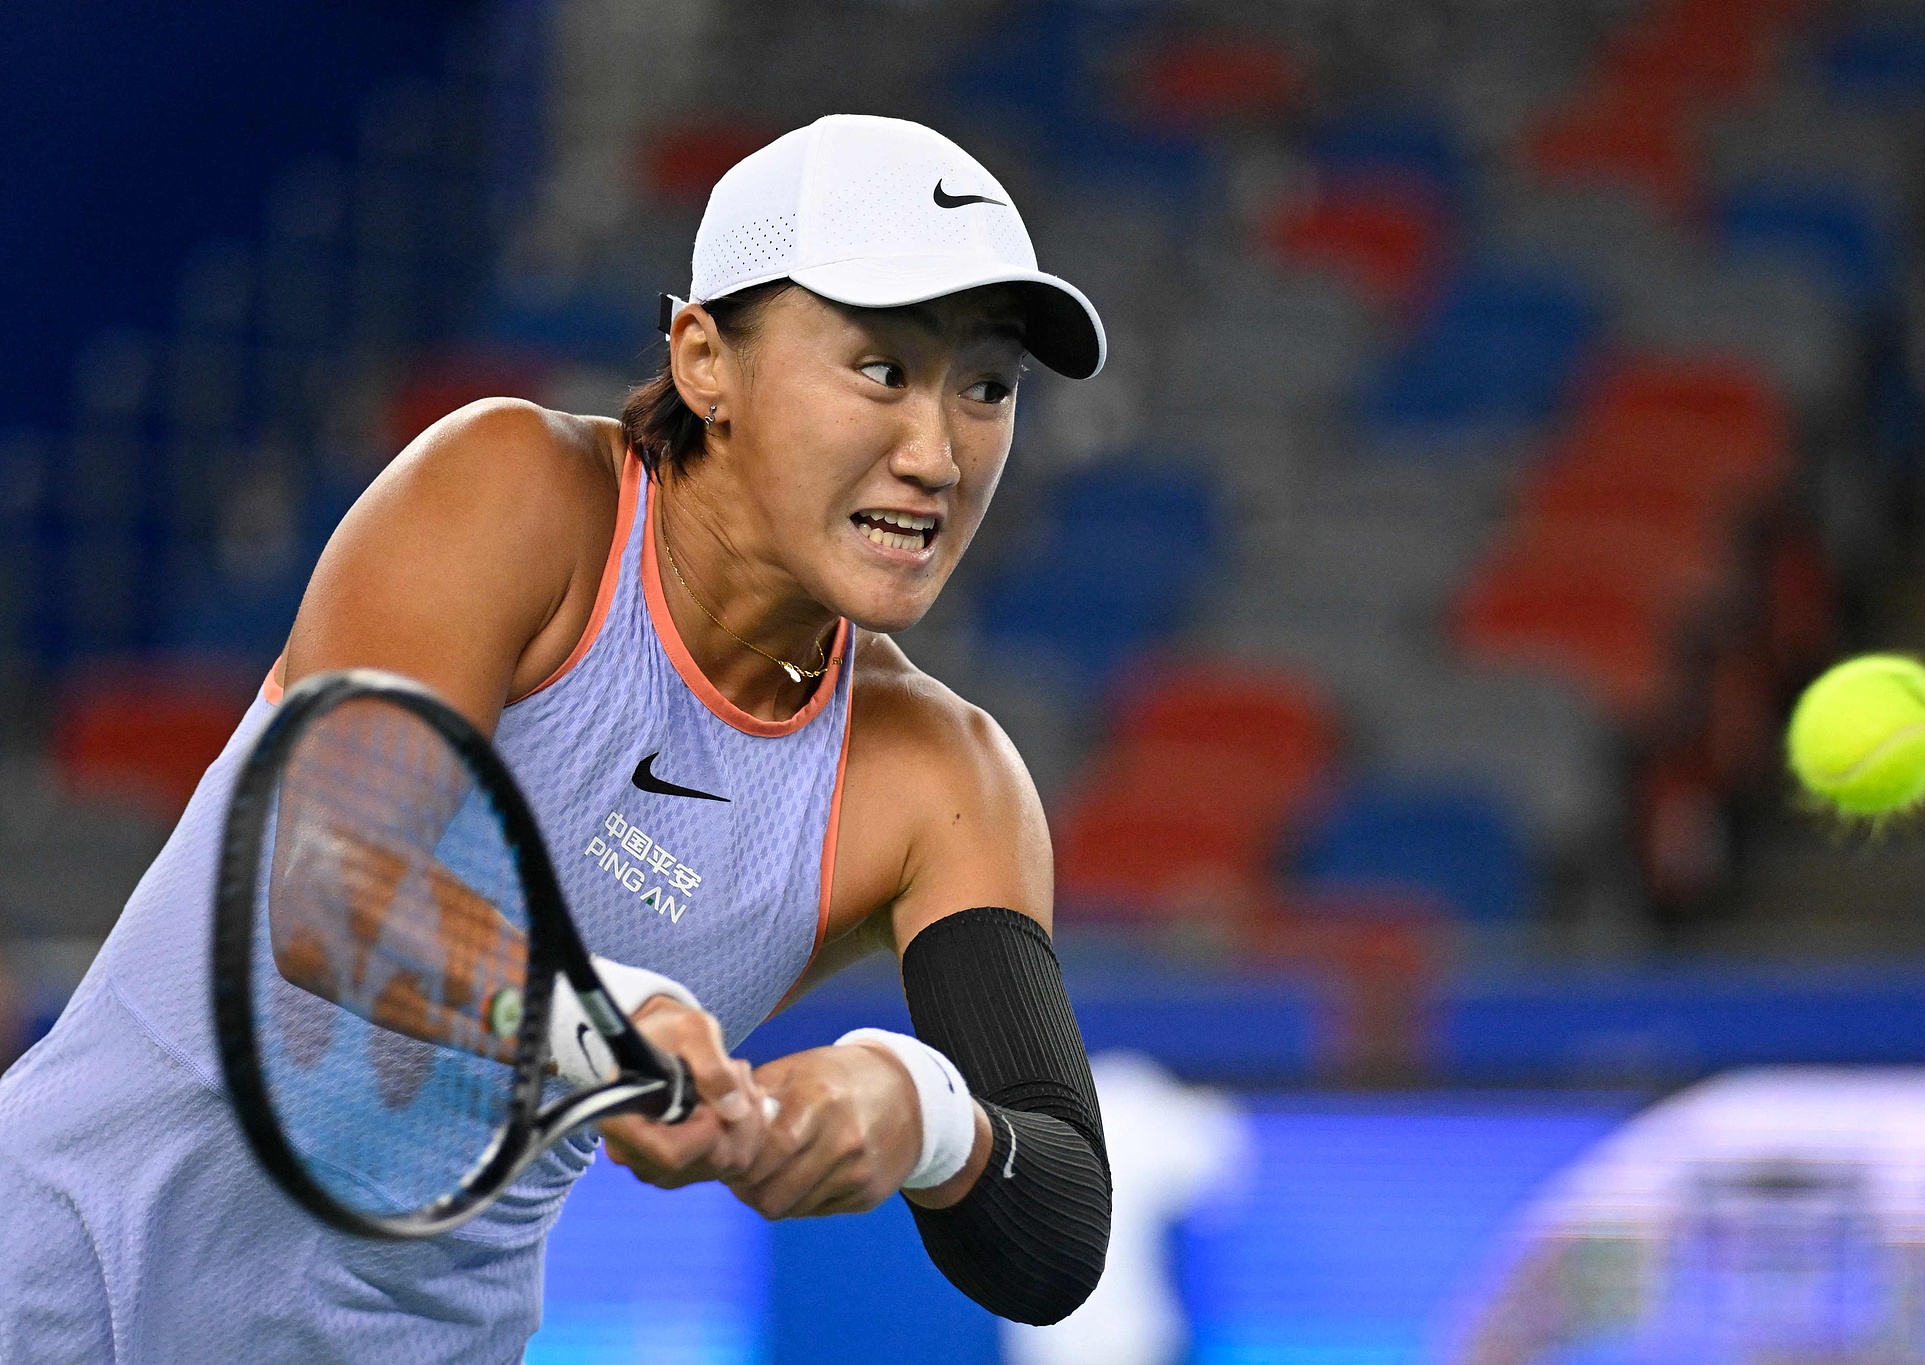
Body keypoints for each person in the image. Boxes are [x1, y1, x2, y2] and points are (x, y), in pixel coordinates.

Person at [0, 113, 1112, 1361]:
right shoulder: (513, 490)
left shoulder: (941, 782)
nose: (935, 453)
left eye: (986, 387)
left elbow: (1057, 1226)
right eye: (879, 369)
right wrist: (600, 1021)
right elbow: (329, 888)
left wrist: (917, 1114)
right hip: (47, 1278)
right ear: (704, 361)